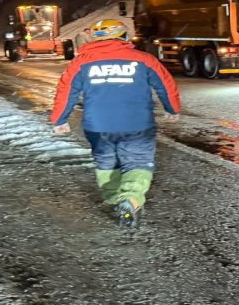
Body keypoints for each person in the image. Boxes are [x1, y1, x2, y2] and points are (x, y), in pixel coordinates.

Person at [50, 19, 181, 226]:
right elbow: (165, 84)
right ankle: (129, 198)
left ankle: (114, 200)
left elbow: (66, 92)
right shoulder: (143, 60)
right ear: (123, 37)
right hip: (137, 124)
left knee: (106, 162)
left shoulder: (81, 63)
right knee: (137, 161)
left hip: (98, 126)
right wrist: (171, 109)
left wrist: (59, 119)